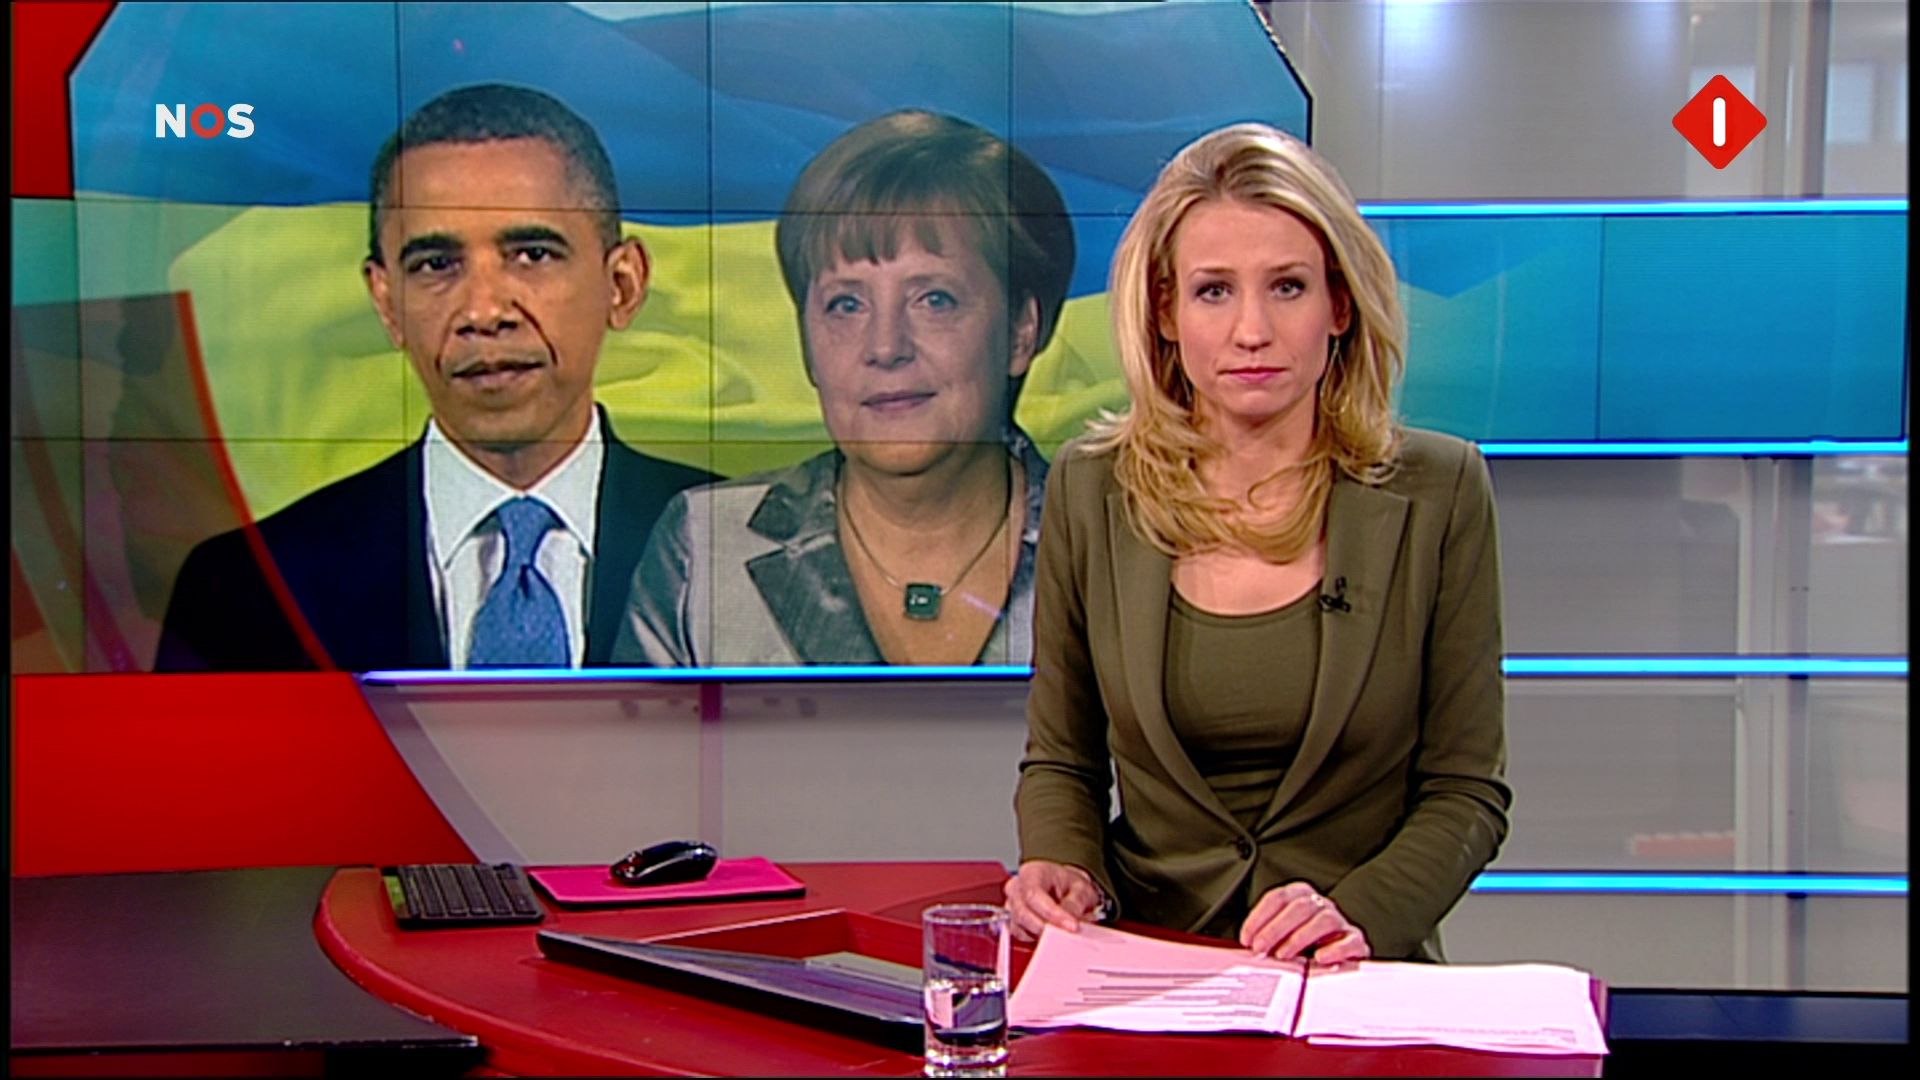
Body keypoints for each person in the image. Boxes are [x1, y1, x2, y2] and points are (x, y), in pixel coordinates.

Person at [1005, 123, 1510, 964]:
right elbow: (1064, 758)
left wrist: (1359, 914)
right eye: (1213, 291)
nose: (1252, 329)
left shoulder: (1440, 491)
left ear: (1339, 305)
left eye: (1287, 287)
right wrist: (1064, 862)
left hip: (1350, 976)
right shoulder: (1093, 490)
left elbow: (1466, 790)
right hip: (1148, 966)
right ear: (1164, 312)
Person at [154, 83, 715, 672]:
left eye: (532, 254)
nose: (484, 312)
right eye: (436, 265)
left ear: (622, 285)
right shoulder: (245, 588)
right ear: (387, 303)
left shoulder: (743, 553)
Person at [617, 110, 1075, 666]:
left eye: (934, 299)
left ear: (1021, 331)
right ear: (807, 342)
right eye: (846, 304)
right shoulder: (707, 546)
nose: (885, 347)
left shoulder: (1115, 549)